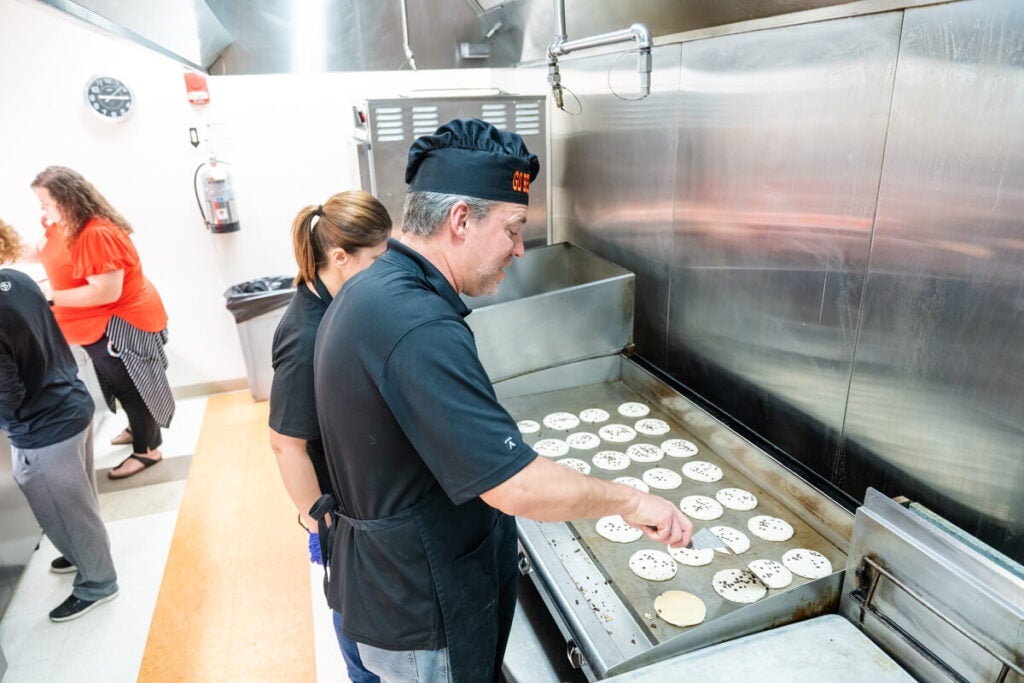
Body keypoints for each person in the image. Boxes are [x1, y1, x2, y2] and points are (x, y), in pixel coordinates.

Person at [313, 119, 693, 683]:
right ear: (461, 220)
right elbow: (516, 485)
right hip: (422, 612)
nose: (519, 249)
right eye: (513, 229)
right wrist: (633, 502)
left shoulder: (374, 288)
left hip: (398, 587)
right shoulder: (415, 324)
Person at [268, 191, 391, 683]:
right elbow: (285, 443)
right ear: (340, 258)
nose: (385, 272)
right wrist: (317, 521)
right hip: (338, 513)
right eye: (377, 261)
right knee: (357, 627)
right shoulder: (305, 336)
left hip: (355, 492)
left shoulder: (340, 303)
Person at [0, 218, 119, 622]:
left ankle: (98, 582)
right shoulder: (16, 279)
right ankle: (78, 551)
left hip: (44, 430)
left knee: (66, 509)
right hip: (73, 404)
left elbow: (9, 395)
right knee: (79, 503)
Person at [29, 166, 174, 479]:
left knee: (133, 386)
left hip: (120, 322)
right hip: (96, 325)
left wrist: (49, 295)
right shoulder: (64, 224)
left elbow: (105, 291)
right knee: (119, 384)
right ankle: (138, 429)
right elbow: (42, 251)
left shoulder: (95, 234)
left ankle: (147, 450)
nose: (43, 210)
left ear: (67, 200)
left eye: (46, 203)